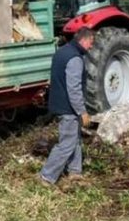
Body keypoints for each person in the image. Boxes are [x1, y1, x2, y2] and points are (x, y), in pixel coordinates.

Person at [39, 27, 95, 186]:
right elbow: (74, 88)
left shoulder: (62, 51)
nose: (91, 46)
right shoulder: (75, 59)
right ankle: (46, 176)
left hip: (59, 104)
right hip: (68, 108)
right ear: (84, 40)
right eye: (91, 42)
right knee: (66, 144)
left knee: (74, 139)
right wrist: (82, 111)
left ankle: (75, 171)